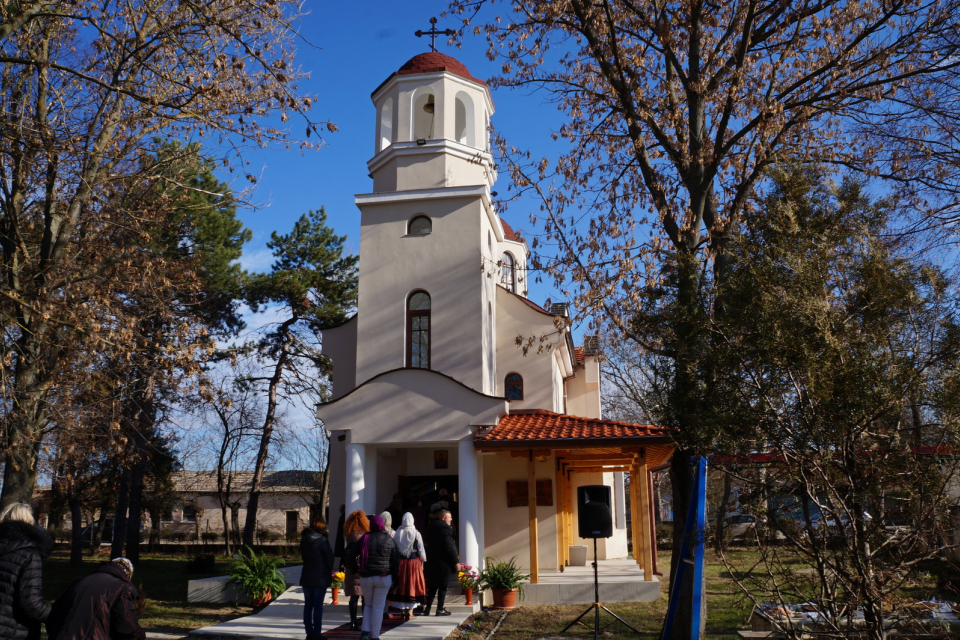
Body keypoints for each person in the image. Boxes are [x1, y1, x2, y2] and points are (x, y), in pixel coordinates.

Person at [47, 558, 145, 640]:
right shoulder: (122, 588)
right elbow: (127, 627)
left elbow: (54, 614)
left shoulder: (80, 581)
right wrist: (140, 636)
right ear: (127, 575)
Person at [0, 503, 52, 640]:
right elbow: (31, 603)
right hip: (14, 630)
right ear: (30, 522)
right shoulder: (30, 554)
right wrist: (56, 614)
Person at [356, 515, 398, 640]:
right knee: (379, 607)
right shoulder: (388, 539)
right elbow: (395, 560)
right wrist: (395, 578)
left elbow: (351, 554)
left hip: (367, 576)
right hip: (383, 576)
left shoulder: (365, 538)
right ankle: (375, 635)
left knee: (368, 605)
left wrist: (356, 570)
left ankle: (364, 632)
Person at [300, 517, 334, 640]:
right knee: (318, 605)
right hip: (320, 576)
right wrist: (329, 570)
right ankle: (317, 633)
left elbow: (303, 556)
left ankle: (309, 632)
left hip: (307, 575)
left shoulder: (304, 539)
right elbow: (329, 558)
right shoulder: (323, 540)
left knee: (308, 605)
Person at [423, 509, 459, 617]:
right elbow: (449, 546)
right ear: (443, 518)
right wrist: (456, 561)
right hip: (443, 562)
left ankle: (427, 609)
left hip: (433, 560)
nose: (451, 519)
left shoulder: (431, 528)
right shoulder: (445, 530)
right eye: (449, 517)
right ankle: (440, 609)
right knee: (443, 585)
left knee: (433, 586)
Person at [390, 513, 426, 620]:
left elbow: (395, 548)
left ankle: (402, 612)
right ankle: (410, 612)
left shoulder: (397, 533)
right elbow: (421, 549)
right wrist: (422, 561)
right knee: (411, 584)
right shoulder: (416, 533)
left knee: (402, 584)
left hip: (401, 562)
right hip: (413, 562)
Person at [342, 510, 369, 631]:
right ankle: (364, 621)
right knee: (364, 596)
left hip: (350, 566)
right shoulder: (364, 532)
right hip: (362, 565)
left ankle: (353, 622)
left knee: (353, 596)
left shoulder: (348, 532)